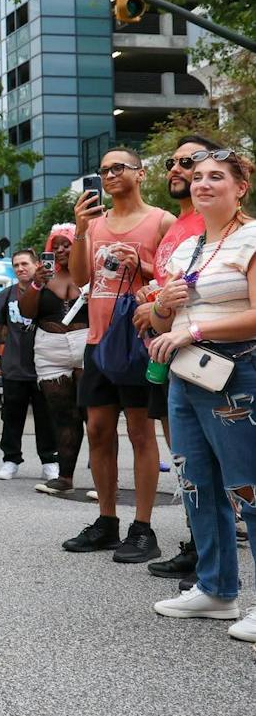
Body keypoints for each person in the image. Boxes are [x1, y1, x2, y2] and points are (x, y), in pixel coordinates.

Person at [145, 149, 256, 643]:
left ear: (240, 190)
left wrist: (195, 330)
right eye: (197, 177)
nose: (202, 184)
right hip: (187, 378)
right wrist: (163, 310)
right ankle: (216, 590)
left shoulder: (251, 239)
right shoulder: (190, 247)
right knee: (196, 484)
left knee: (248, 487)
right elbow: (163, 320)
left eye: (217, 177)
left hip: (239, 375)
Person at [63, 147, 174, 561]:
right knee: (98, 430)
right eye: (103, 170)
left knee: (141, 432)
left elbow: (178, 277)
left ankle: (143, 528)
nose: (109, 175)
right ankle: (106, 521)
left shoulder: (161, 221)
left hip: (140, 342)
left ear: (140, 174)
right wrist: (79, 229)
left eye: (118, 168)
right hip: (98, 341)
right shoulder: (95, 224)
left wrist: (143, 265)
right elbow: (78, 278)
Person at [138, 136, 221, 581]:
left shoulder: (218, 226)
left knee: (215, 459)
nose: (176, 169)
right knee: (187, 457)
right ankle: (200, 549)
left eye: (188, 162)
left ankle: (211, 558)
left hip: (208, 356)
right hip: (168, 351)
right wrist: (150, 301)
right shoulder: (177, 227)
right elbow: (169, 288)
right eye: (173, 162)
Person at [21, 225, 90, 497]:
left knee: (95, 416)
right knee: (63, 416)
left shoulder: (89, 272)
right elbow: (27, 311)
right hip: (50, 349)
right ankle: (65, 477)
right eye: (56, 245)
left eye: (67, 244)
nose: (61, 250)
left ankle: (104, 481)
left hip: (86, 345)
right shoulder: (43, 277)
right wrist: (36, 283)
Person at [0, 249, 57, 480]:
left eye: (25, 264)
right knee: (11, 416)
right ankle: (10, 459)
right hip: (13, 366)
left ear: (37, 264)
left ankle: (49, 460)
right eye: (16, 265)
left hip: (44, 365)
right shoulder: (5, 295)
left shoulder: (49, 292)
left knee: (46, 417)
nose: (21, 268)